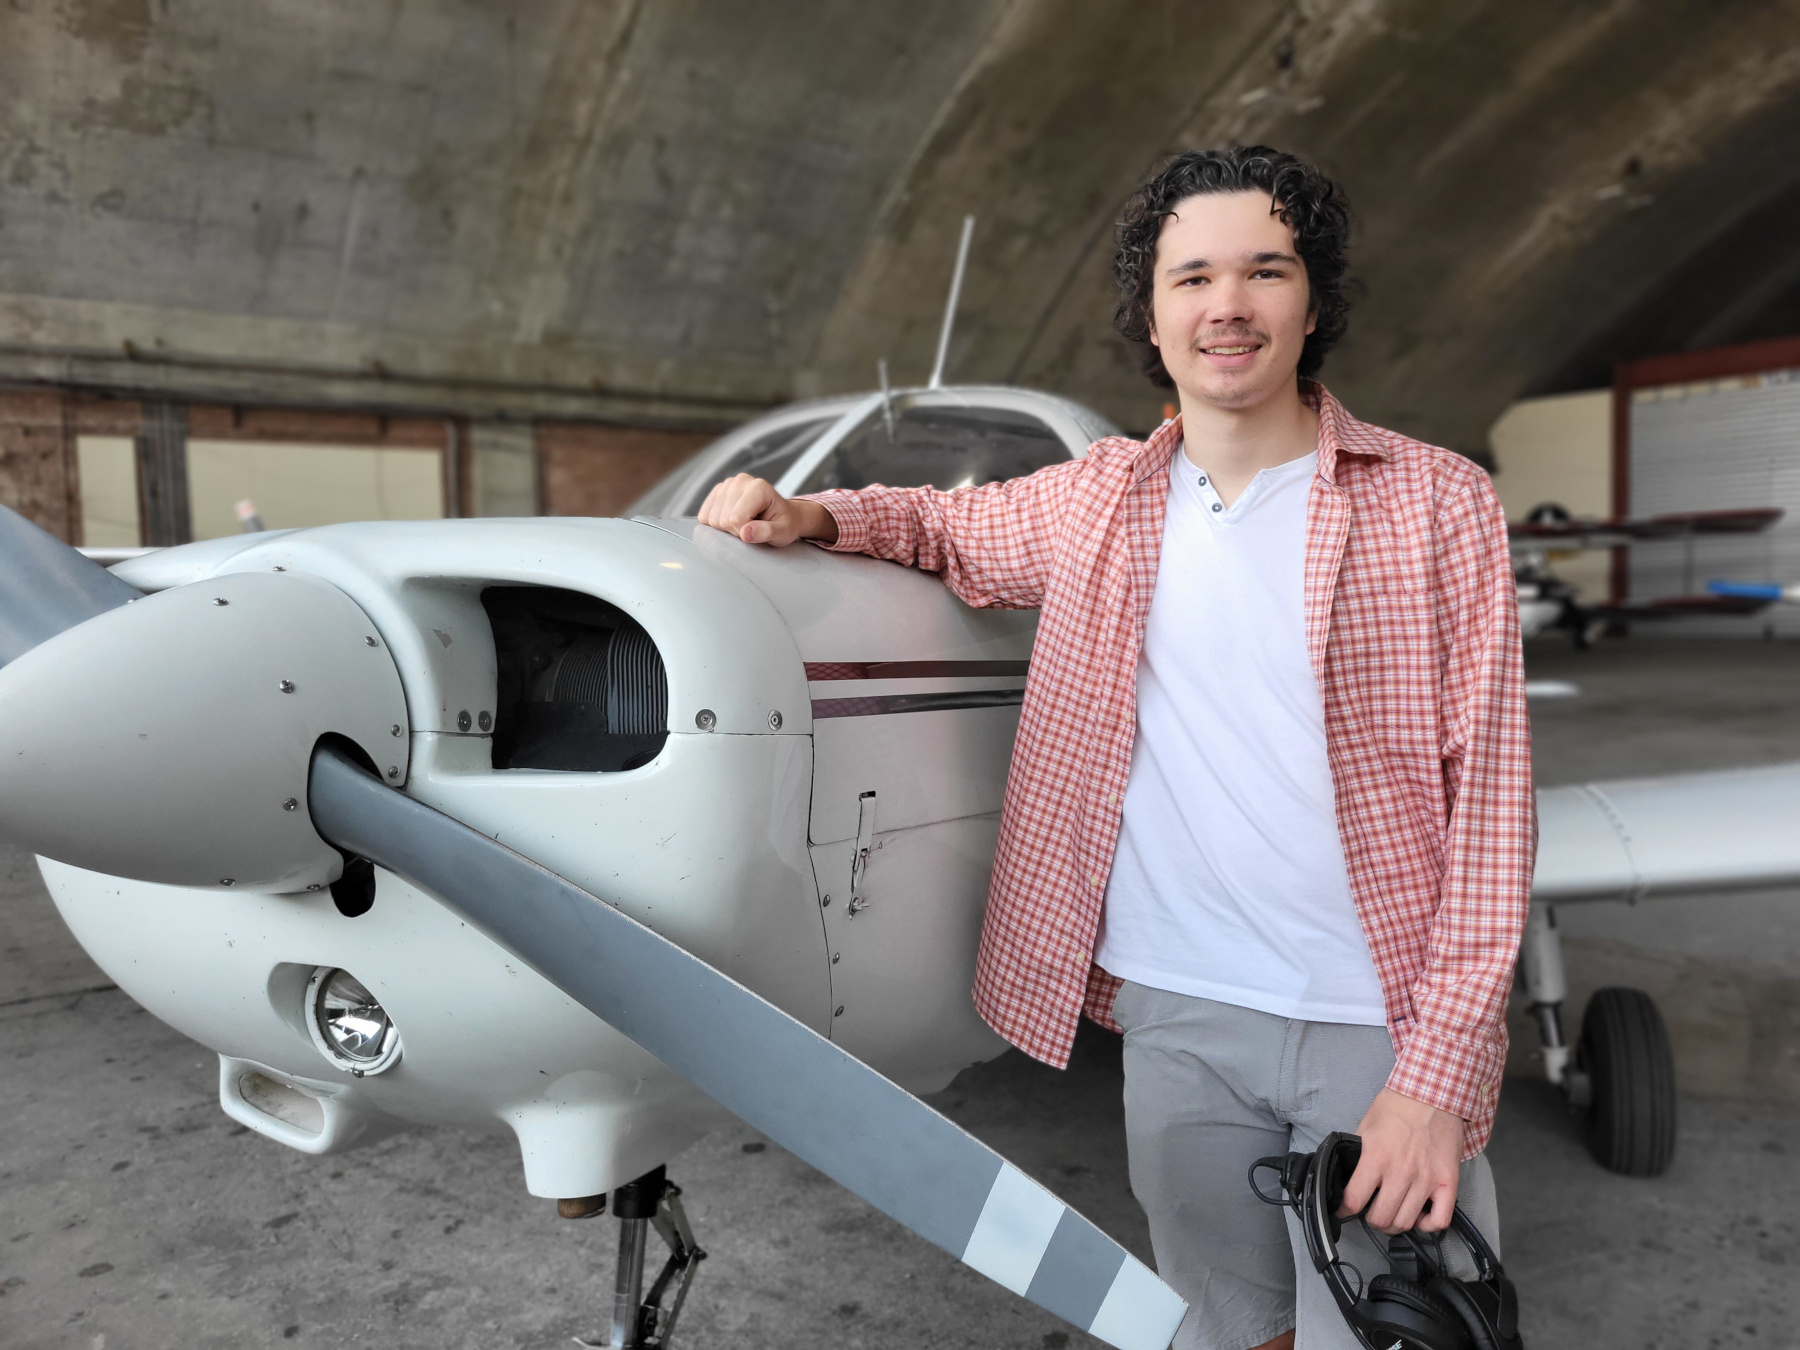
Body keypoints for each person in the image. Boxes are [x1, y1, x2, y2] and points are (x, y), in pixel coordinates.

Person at [698, 146, 1533, 1350]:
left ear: (1315, 299)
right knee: (1230, 1327)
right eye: (1192, 277)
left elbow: (1494, 812)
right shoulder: (1095, 498)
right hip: (1179, 1013)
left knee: (1403, 1327)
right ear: (1153, 311)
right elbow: (942, 527)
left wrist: (1439, 1078)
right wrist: (818, 514)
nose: (1227, 306)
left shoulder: (1438, 502)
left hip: (1374, 1016)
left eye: (1265, 270)